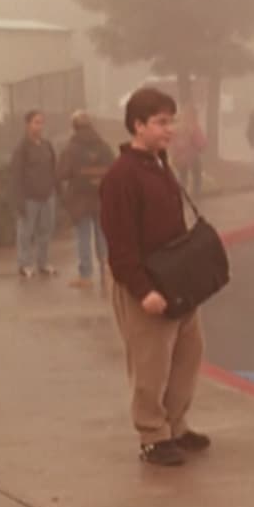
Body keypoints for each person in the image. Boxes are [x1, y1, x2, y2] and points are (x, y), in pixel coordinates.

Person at [99, 88, 211, 467]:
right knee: (151, 364)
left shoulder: (160, 165)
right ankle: (152, 435)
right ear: (138, 125)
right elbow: (120, 243)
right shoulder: (121, 177)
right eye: (162, 122)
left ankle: (176, 425)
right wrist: (143, 289)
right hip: (145, 284)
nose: (170, 129)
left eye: (171, 121)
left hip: (178, 279)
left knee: (187, 354)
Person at [57, 110, 115, 289]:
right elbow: (114, 168)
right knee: (102, 235)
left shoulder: (71, 148)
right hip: (101, 197)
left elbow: (62, 173)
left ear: (74, 126)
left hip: (80, 199)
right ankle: (107, 272)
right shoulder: (104, 146)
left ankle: (86, 276)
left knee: (83, 236)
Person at [9, 109, 60, 278]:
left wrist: (57, 191)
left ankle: (43, 263)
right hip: (29, 198)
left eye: (41, 122)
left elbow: (54, 169)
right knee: (26, 232)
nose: (39, 126)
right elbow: (16, 175)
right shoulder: (21, 148)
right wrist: (19, 200)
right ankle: (24, 265)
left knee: (45, 231)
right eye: (36, 122)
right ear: (28, 125)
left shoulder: (47, 145)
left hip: (48, 196)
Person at [171, 104, 207, 198]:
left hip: (179, 156)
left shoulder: (178, 126)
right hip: (192, 156)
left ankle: (181, 195)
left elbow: (172, 141)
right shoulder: (193, 126)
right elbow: (199, 142)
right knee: (197, 174)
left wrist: (174, 154)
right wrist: (202, 146)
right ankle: (196, 193)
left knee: (183, 176)